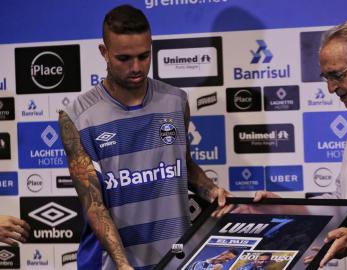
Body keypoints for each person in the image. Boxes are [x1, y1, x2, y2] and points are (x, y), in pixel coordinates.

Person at [58, 5, 230, 270]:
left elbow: (183, 165)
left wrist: (210, 189)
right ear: (104, 53)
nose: (137, 67)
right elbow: (93, 204)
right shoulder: (77, 117)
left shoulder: (176, 101)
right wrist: (123, 264)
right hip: (113, 264)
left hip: (174, 259)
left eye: (144, 56)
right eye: (124, 58)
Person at [255, 20, 347, 269]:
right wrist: (285, 207)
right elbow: (343, 199)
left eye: (336, 75)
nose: (330, 88)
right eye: (326, 77)